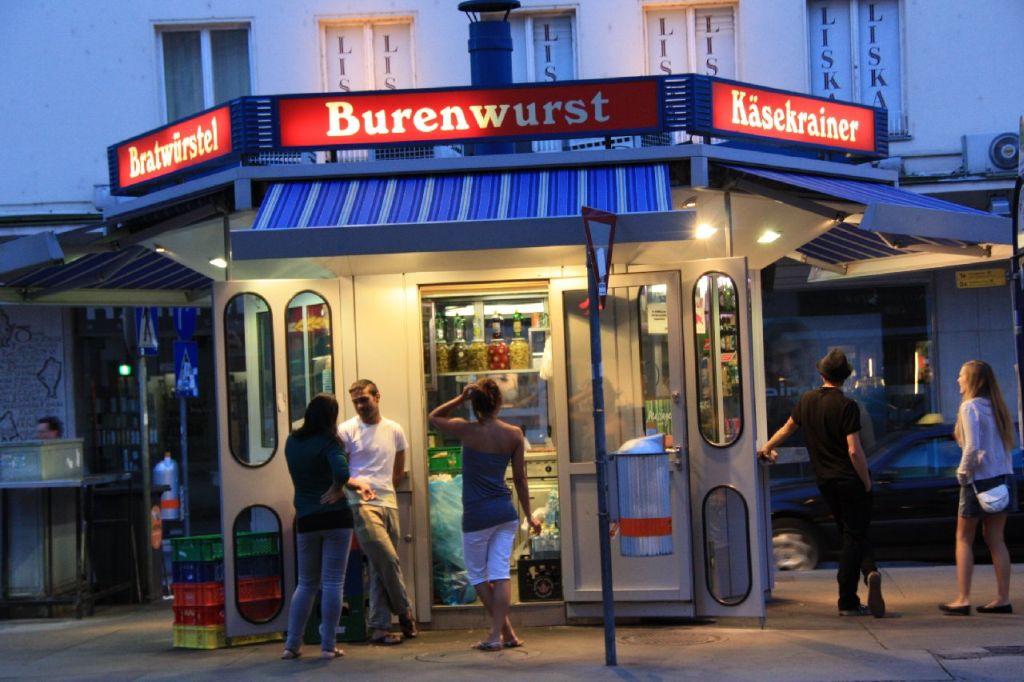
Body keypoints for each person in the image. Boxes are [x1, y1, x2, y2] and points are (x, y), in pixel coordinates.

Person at [758, 349, 885, 618]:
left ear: (822, 374)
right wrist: (866, 482)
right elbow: (854, 450)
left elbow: (787, 428)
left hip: (825, 481)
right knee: (854, 535)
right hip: (849, 480)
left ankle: (870, 571)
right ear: (845, 378)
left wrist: (766, 447)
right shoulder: (848, 406)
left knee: (852, 532)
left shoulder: (807, 400)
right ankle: (848, 600)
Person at [428, 379, 542, 651]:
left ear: (474, 404)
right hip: (505, 513)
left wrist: (459, 399)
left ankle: (494, 635)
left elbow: (434, 417)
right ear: (499, 403)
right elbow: (520, 479)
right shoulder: (514, 434)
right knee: (501, 573)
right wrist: (530, 515)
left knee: (479, 576)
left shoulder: (466, 430)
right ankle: (508, 633)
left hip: (476, 516)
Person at [281, 393, 374, 660]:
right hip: (335, 518)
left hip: (306, 518)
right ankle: (328, 646)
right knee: (333, 581)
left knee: (306, 583)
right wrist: (336, 487)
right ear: (331, 417)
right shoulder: (330, 442)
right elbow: (342, 472)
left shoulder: (292, 441)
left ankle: (292, 645)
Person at [339, 379, 418, 644]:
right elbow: (341, 471)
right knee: (388, 559)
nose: (360, 406)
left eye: (364, 399)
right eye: (356, 402)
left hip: (388, 502)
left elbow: (398, 469)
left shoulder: (394, 430)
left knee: (379, 566)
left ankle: (380, 628)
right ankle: (405, 611)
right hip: (361, 503)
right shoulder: (347, 430)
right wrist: (357, 489)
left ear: (377, 397)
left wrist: (387, 489)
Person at [939, 360, 1017, 615]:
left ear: (973, 380)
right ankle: (1003, 598)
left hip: (978, 479)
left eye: (961, 375)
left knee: (963, 538)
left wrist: (962, 474)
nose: (958, 380)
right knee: (996, 539)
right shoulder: (998, 407)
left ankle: (963, 599)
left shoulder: (969, 407)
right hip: (1003, 478)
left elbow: (972, 447)